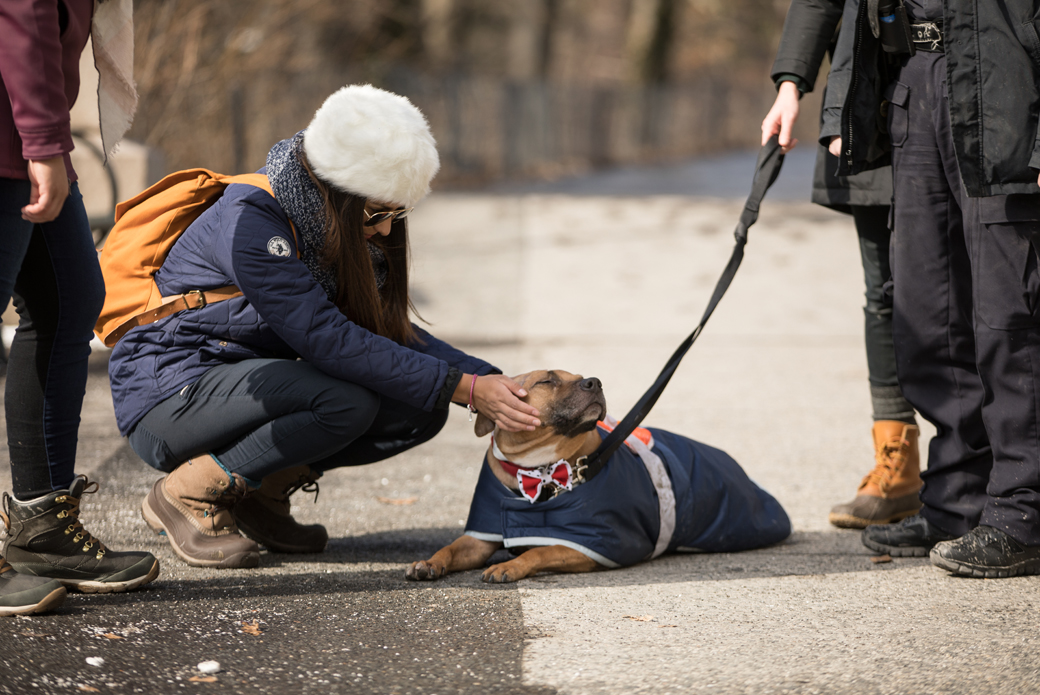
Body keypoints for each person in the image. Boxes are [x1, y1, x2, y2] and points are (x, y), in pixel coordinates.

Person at [108, 84, 541, 569]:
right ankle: (188, 493)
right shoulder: (251, 222)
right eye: (377, 213)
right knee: (345, 401)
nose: (383, 230)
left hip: (239, 387)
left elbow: (387, 333)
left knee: (419, 405)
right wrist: (463, 386)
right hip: (168, 396)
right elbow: (325, 338)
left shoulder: (327, 227)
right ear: (339, 190)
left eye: (398, 214)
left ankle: (259, 492)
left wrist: (493, 381)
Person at [823, 0, 1040, 577]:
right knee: (930, 311)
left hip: (1006, 80)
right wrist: (843, 103)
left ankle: (1024, 513)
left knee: (1008, 316)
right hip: (918, 76)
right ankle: (957, 501)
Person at [0, 0, 159, 615]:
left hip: (26, 134)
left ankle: (42, 530)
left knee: (68, 304)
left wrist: (47, 143)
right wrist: (41, 138)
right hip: (15, 134)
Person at [762, 0, 921, 529]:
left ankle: (976, 465)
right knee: (884, 293)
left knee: (976, 293)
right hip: (869, 90)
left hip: (966, 82)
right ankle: (897, 464)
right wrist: (791, 85)